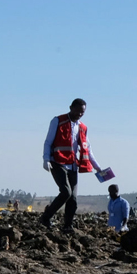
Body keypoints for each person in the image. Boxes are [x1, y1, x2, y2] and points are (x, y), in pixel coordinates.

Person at [40, 98, 104, 232]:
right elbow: (48, 142)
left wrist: (98, 167)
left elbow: (88, 149)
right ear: (71, 107)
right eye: (78, 110)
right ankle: (45, 217)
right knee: (66, 192)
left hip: (73, 165)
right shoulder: (57, 121)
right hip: (57, 162)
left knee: (73, 198)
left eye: (82, 112)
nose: (80, 114)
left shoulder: (82, 128)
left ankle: (67, 225)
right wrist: (46, 159)